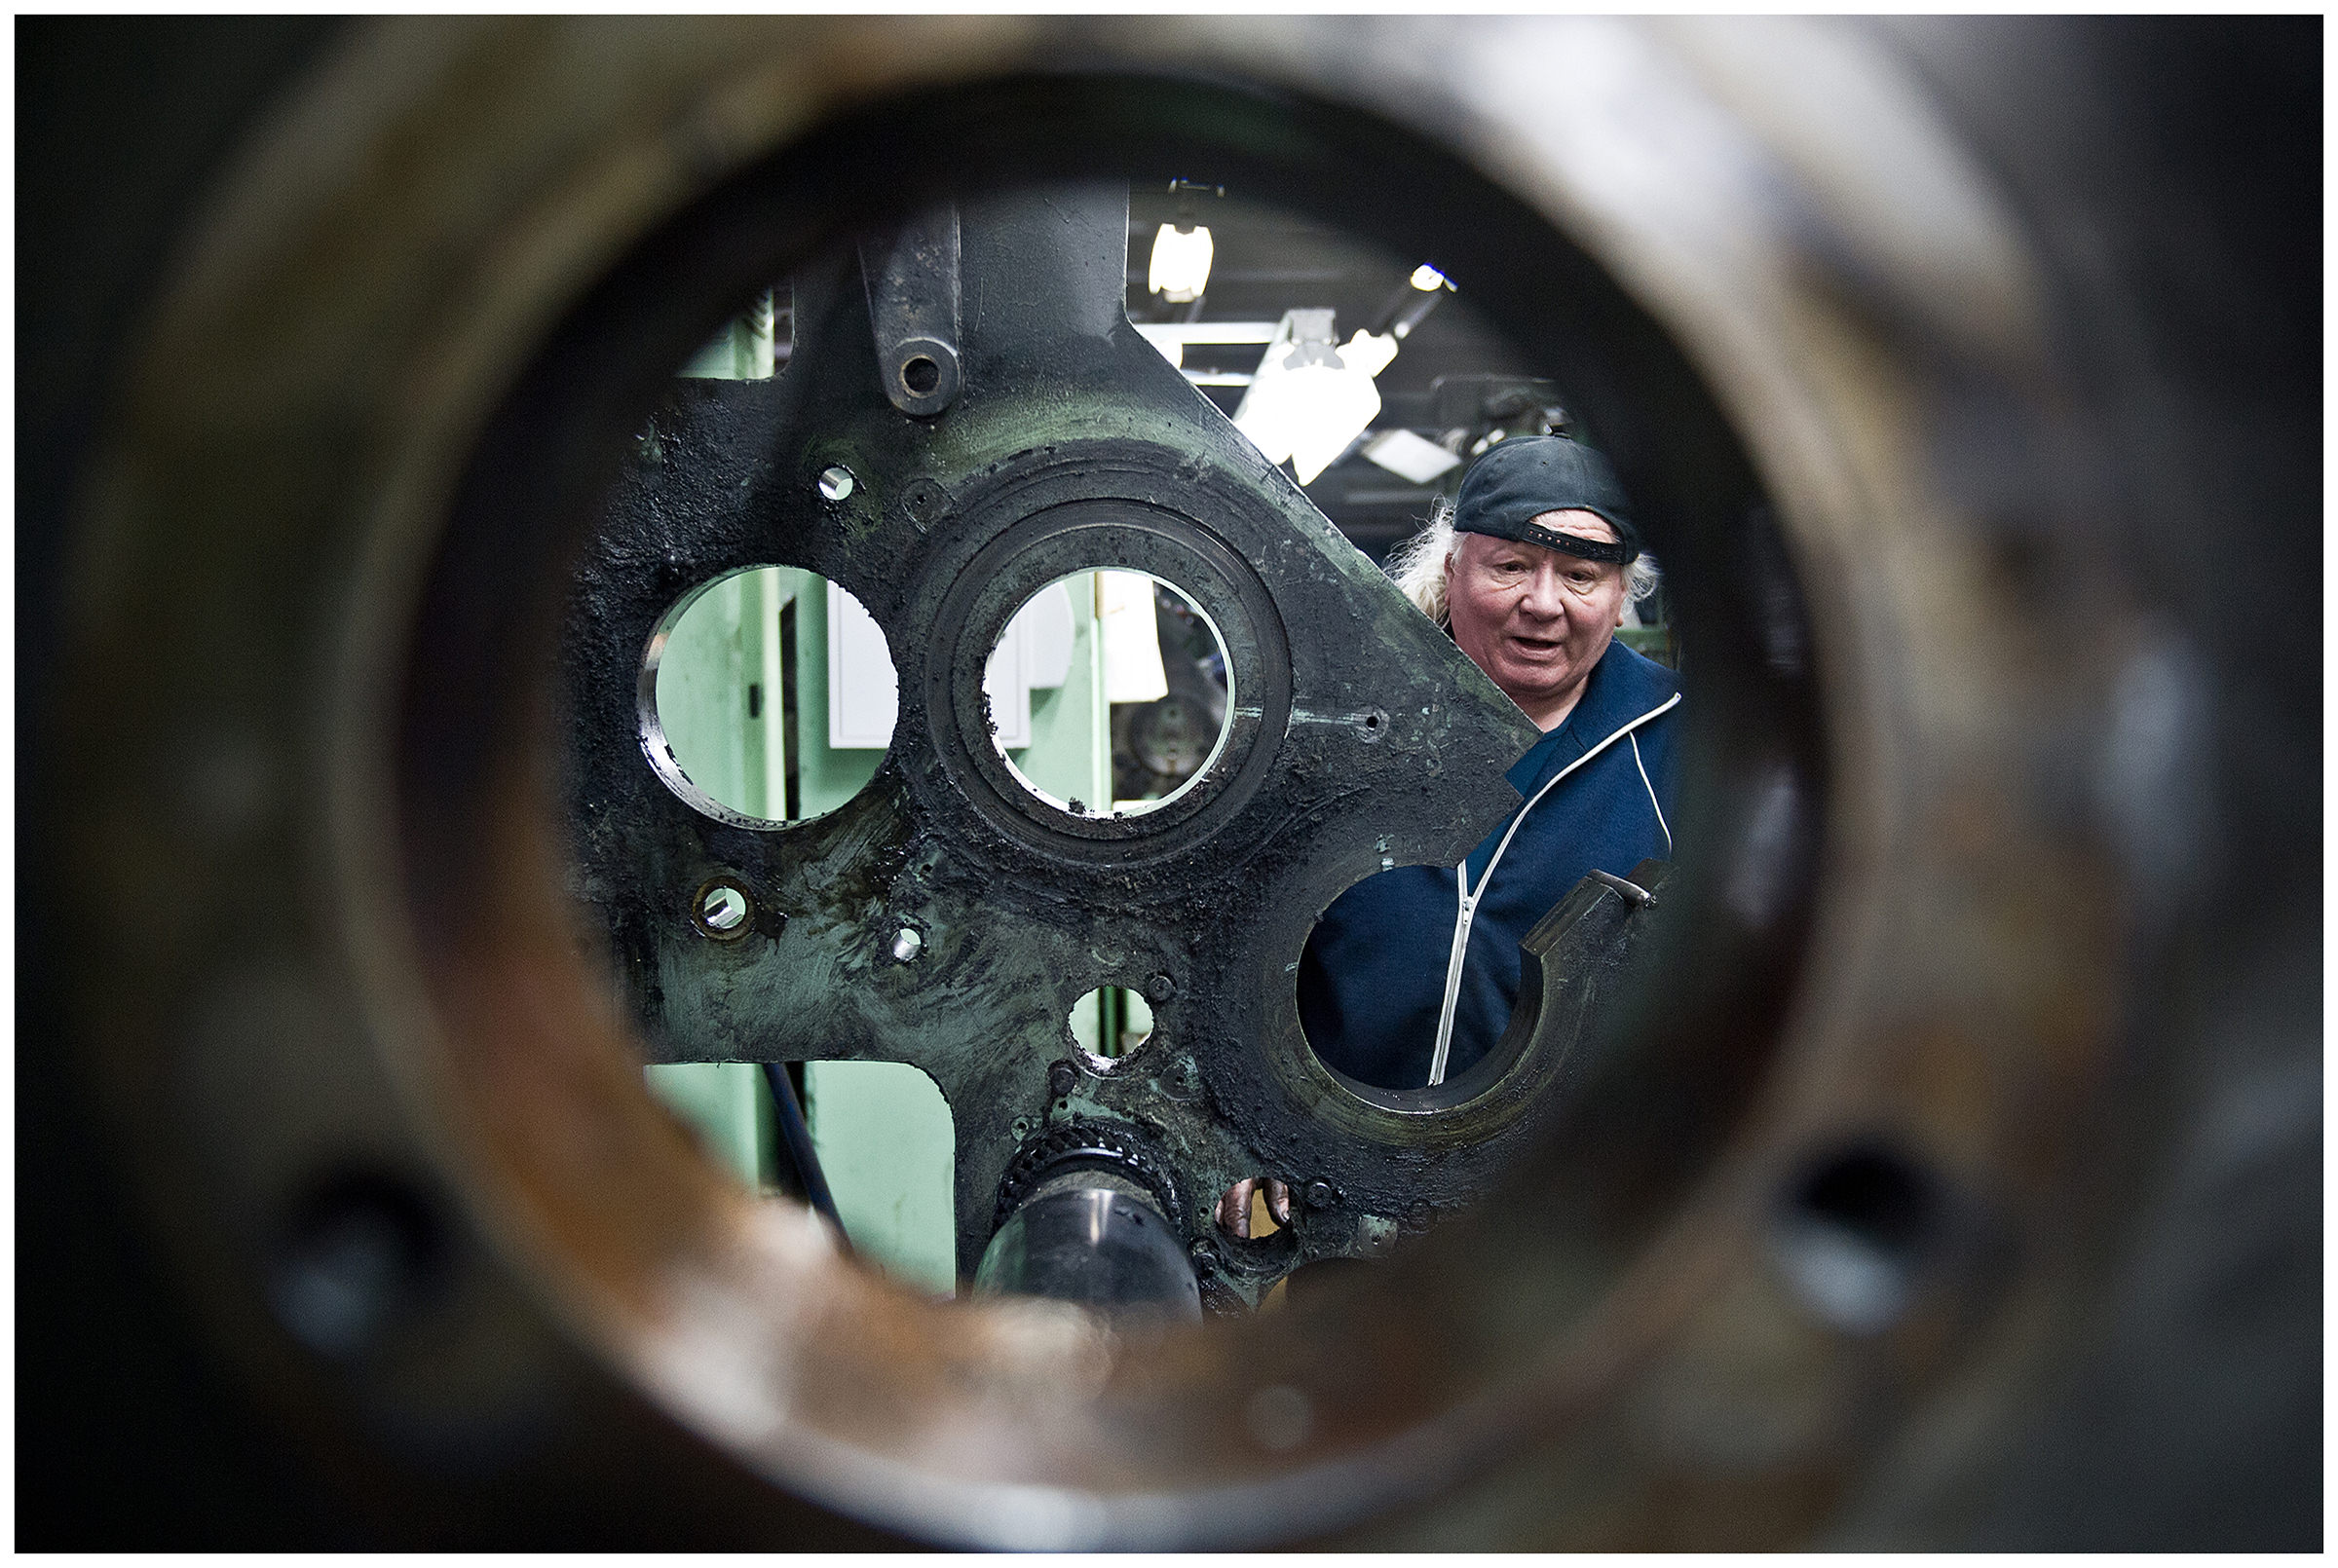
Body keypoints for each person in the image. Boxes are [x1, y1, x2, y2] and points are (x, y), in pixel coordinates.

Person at [1297, 434, 1680, 1090]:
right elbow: (1233, 929)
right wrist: (1238, 1111)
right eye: (1510, 566)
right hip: (1326, 1159)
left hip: (1555, 1178)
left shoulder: (1683, 748)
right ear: (1452, 572)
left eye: (1581, 576)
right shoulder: (1348, 720)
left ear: (1622, 599)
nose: (1542, 602)